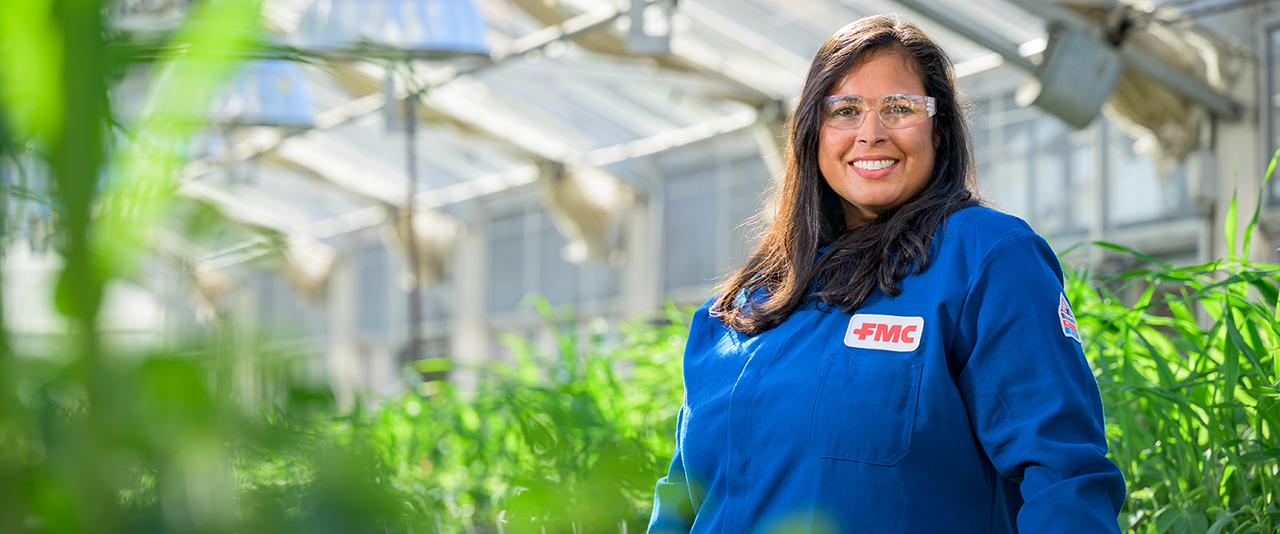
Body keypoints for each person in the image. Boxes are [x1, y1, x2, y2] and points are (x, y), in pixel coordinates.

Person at [646, 14, 1126, 534]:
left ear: (938, 130)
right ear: (812, 132)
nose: (870, 133)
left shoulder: (986, 258)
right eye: (845, 110)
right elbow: (680, 498)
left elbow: (1063, 479)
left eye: (899, 108)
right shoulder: (746, 304)